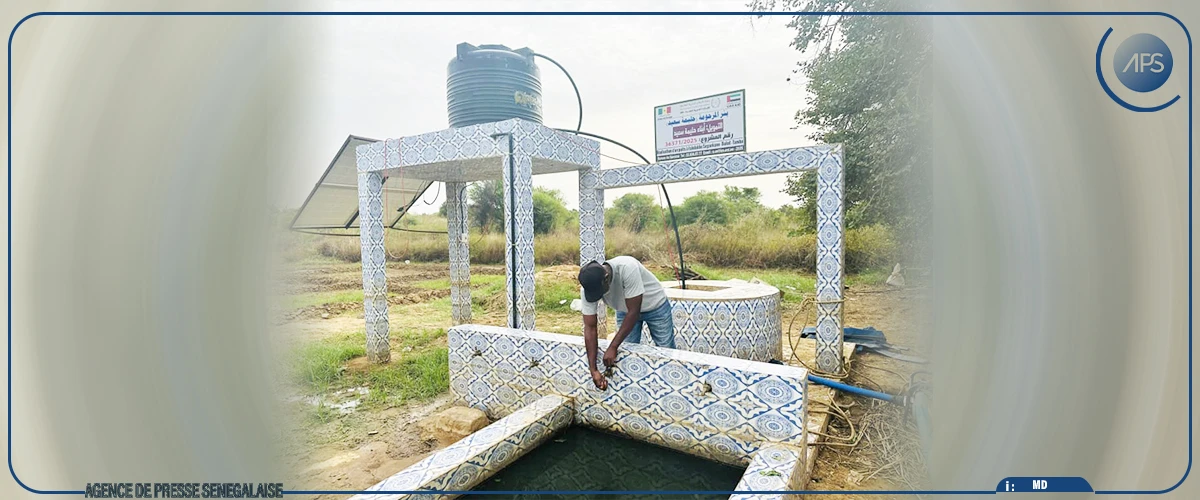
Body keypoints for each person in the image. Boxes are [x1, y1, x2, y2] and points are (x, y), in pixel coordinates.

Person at [578, 256, 676, 390]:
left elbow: (634, 312)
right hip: (625, 310)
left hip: (655, 307)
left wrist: (613, 346)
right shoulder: (589, 287)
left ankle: (672, 387)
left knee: (666, 349)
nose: (598, 296)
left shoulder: (627, 268)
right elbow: (590, 327)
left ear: (606, 278)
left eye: (599, 293)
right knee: (628, 351)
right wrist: (593, 369)